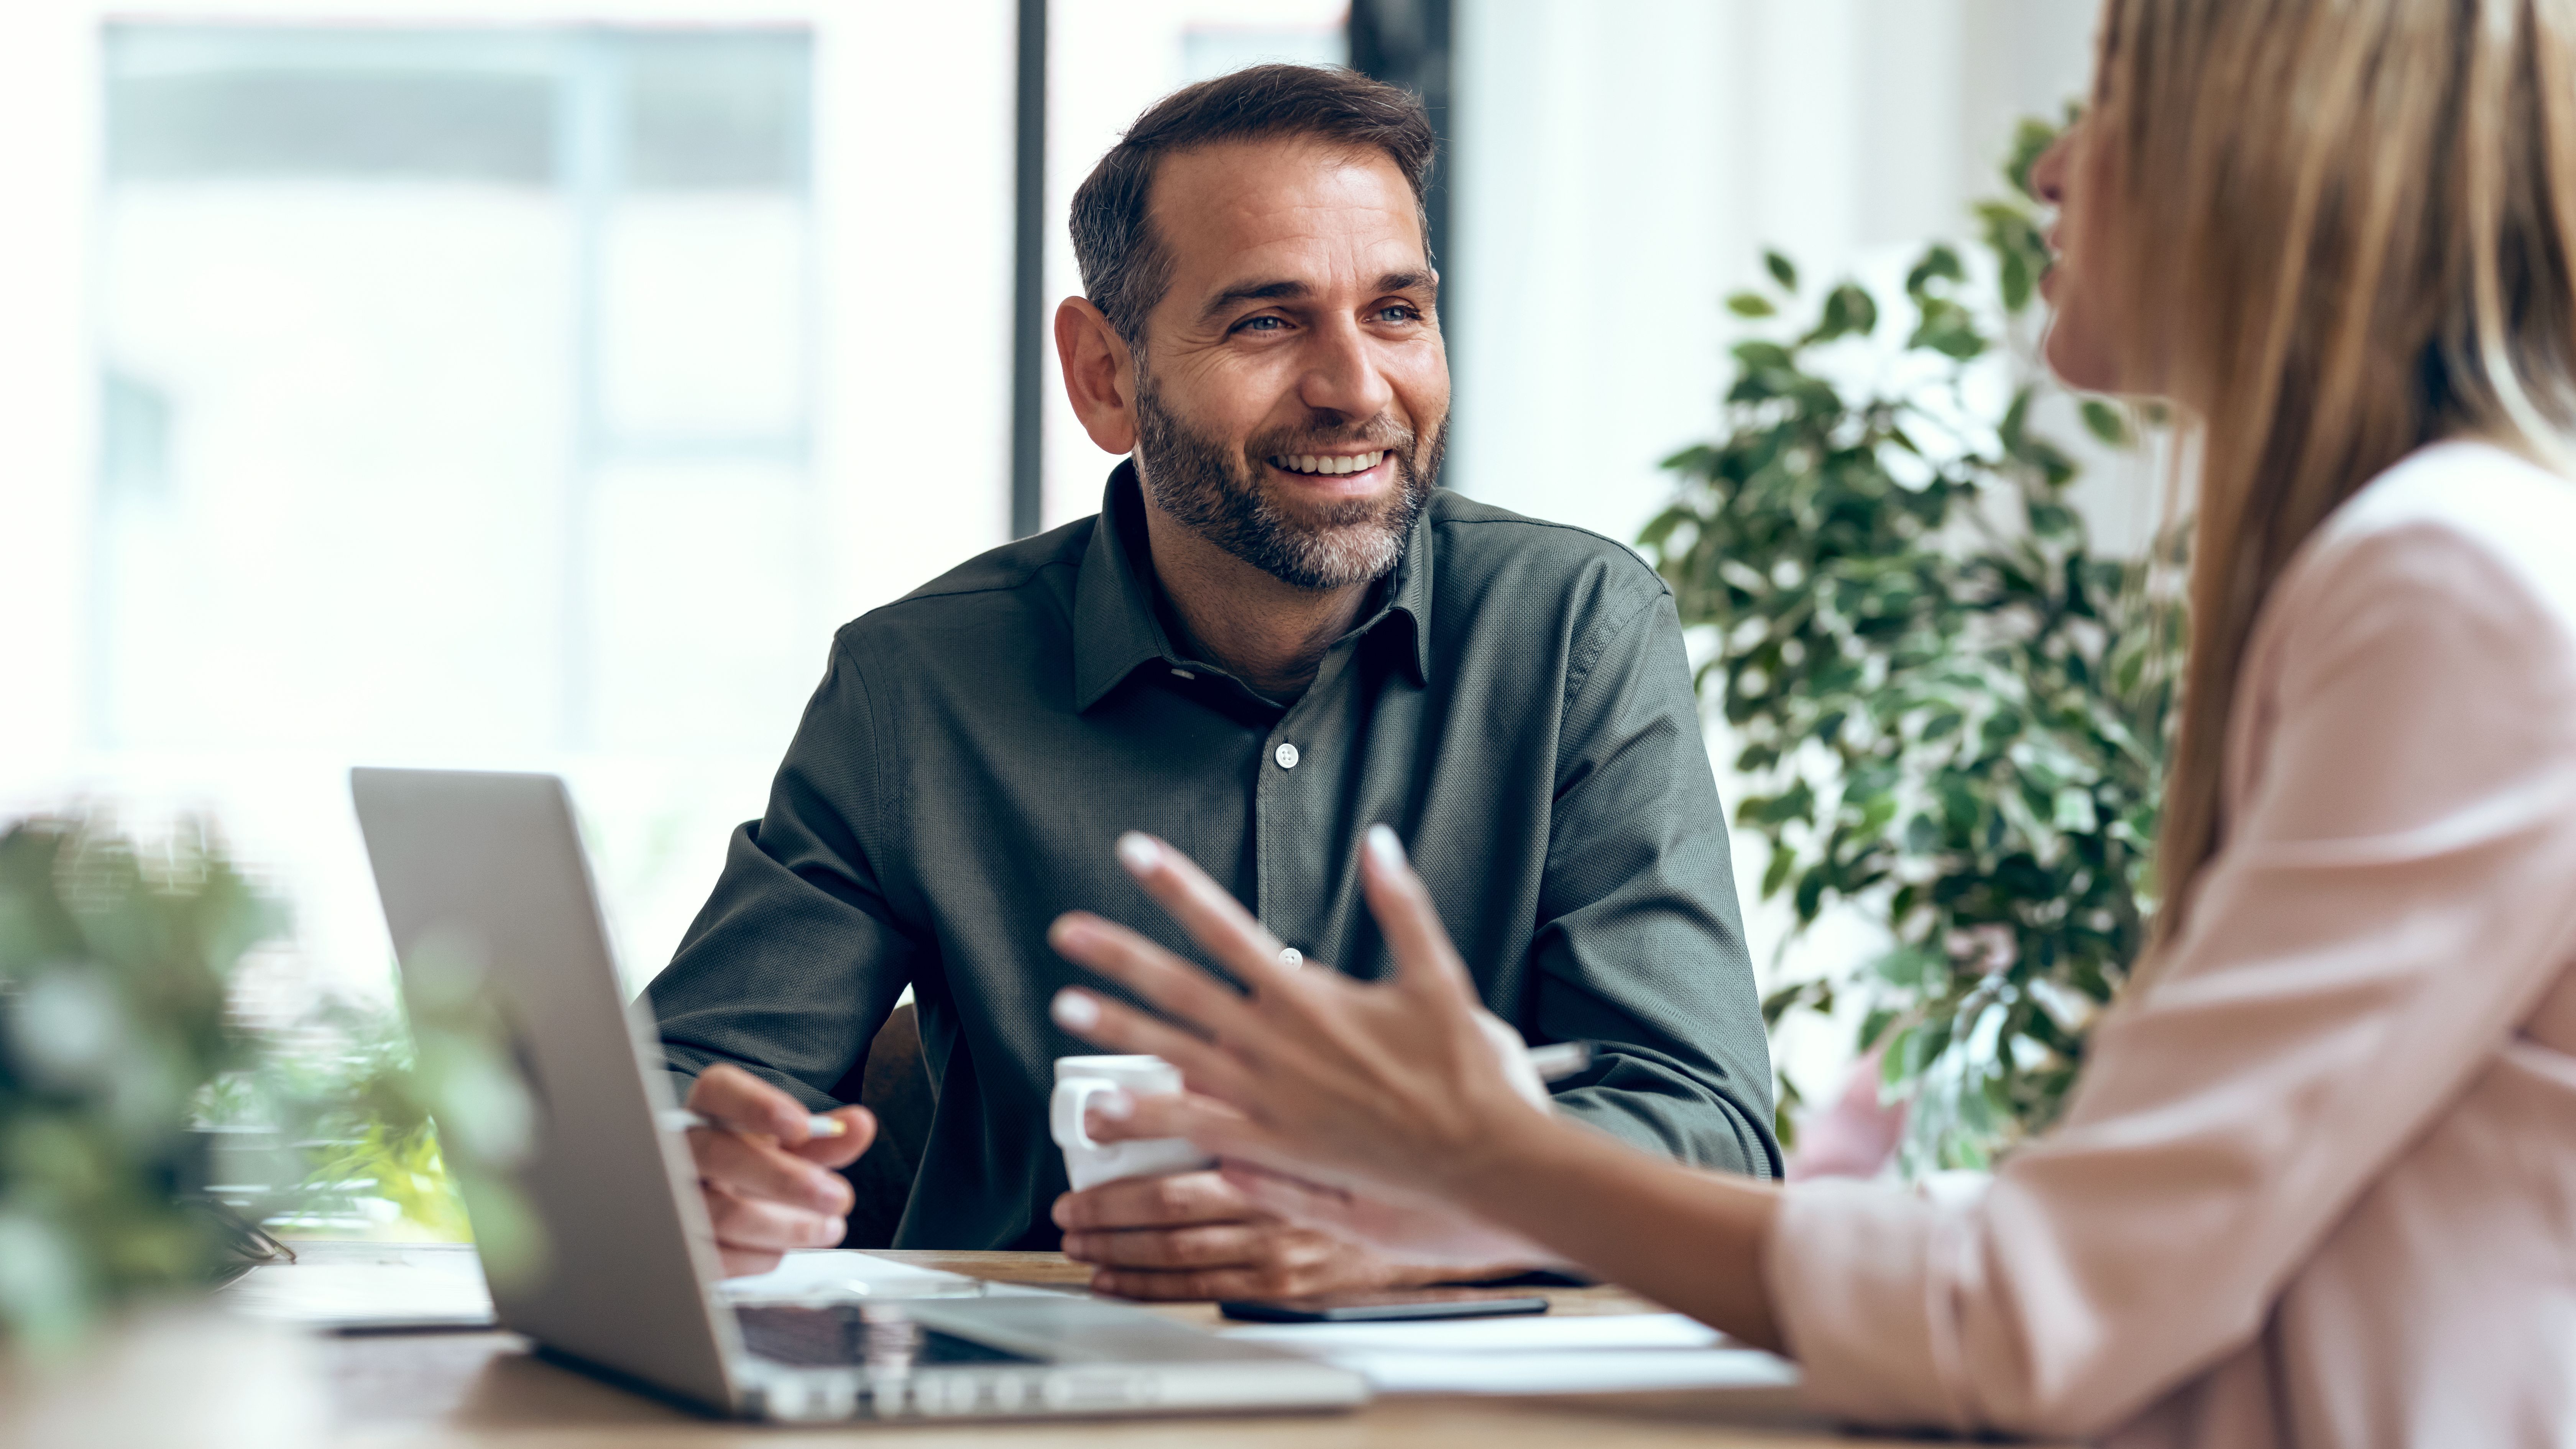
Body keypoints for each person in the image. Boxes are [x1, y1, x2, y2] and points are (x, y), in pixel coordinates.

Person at [1042, 0, 2576, 1440]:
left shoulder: (2452, 584)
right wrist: (1502, 1204)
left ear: (2280, 148)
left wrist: (1488, 1154)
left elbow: (2032, 1317)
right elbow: (2124, 1248)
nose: (2048, 164)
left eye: (2112, 103)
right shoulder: (2427, 564)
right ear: (1104, 376)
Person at [645, 65, 1779, 1299]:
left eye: (1396, 312)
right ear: (1104, 376)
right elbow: (684, 1082)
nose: (1356, 389)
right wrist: (703, 1171)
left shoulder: (1576, 632)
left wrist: (1420, 1218)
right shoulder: (916, 682)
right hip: (1030, 1379)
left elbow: (1707, 1129)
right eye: (1266, 322)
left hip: (1449, 1395)